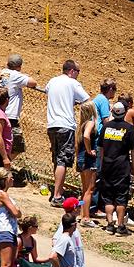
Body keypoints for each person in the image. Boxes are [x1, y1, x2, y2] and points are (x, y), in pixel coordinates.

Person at [45, 59, 90, 204]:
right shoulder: (72, 83)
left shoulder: (52, 81)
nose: (78, 75)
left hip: (52, 124)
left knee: (57, 158)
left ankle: (57, 191)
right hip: (66, 125)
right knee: (63, 160)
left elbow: (48, 91)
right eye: (78, 72)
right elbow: (87, 100)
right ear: (71, 71)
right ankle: (57, 195)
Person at [98, 100, 134, 235]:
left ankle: (109, 224)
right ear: (125, 112)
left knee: (108, 196)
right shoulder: (129, 128)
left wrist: (102, 164)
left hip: (107, 165)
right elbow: (133, 150)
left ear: (113, 112)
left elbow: (101, 148)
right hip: (122, 166)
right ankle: (121, 226)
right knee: (121, 196)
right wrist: (133, 167)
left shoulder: (106, 127)